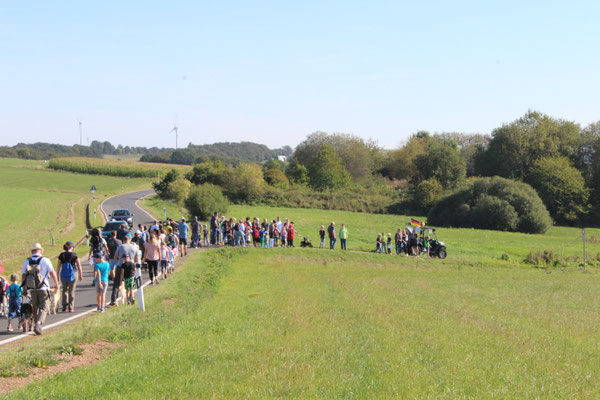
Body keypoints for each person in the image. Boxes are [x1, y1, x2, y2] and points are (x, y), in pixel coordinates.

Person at [21, 243, 59, 335]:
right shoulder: (45, 260)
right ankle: (38, 324)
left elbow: (23, 275)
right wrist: (56, 283)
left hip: (32, 288)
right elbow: (52, 273)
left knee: (35, 306)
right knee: (44, 306)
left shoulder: (27, 261)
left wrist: (25, 288)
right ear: (41, 251)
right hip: (44, 287)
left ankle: (34, 324)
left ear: (32, 251)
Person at [111, 233, 138, 306]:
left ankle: (114, 299)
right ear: (129, 240)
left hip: (121, 265)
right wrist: (133, 263)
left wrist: (119, 260)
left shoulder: (120, 247)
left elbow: (115, 257)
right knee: (131, 282)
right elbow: (137, 258)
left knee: (117, 283)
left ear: (123, 240)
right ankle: (131, 296)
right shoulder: (134, 247)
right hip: (131, 266)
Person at [56, 241, 83, 312]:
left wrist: (57, 276)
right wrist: (80, 274)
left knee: (64, 290)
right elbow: (79, 265)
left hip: (64, 274)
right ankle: (71, 307)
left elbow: (58, 267)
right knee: (71, 290)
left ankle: (64, 306)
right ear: (71, 247)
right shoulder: (74, 255)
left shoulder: (61, 255)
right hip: (73, 273)